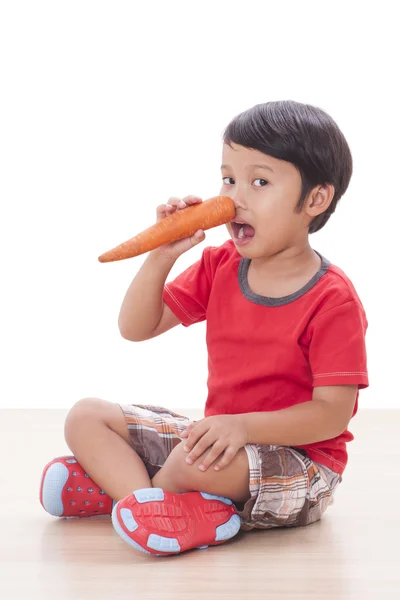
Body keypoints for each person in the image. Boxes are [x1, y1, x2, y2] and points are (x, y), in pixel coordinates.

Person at [40, 100, 369, 556]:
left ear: (315, 199)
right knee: (86, 416)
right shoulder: (220, 265)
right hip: (218, 438)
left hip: (302, 466)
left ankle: (126, 490)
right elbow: (136, 327)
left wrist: (242, 427)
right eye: (228, 178)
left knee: (192, 465)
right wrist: (163, 254)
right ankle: (146, 503)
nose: (235, 197)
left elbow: (331, 414)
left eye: (259, 181)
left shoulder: (333, 300)